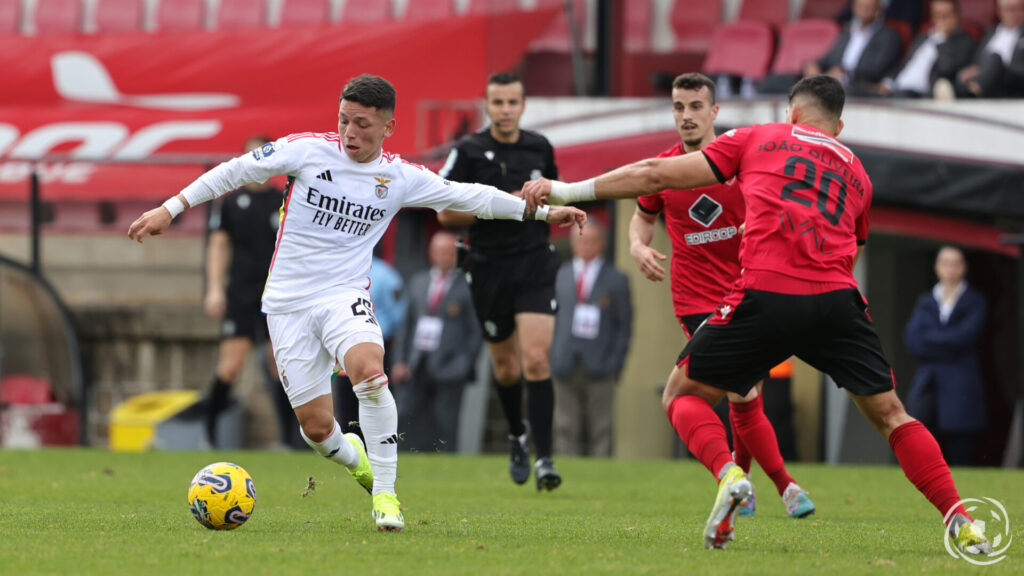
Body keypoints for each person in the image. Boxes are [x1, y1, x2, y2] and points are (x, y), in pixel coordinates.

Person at [522, 75, 991, 555]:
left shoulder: (760, 137)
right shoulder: (860, 176)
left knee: (681, 395)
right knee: (893, 415)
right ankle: (963, 522)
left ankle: (730, 475)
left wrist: (566, 190)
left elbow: (654, 175)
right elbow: (853, 249)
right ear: (839, 126)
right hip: (837, 302)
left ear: (791, 113)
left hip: (765, 294)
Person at [128, 74, 586, 532]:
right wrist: (171, 207)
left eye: (363, 124)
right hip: (287, 305)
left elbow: (472, 197)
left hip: (344, 294)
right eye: (344, 120)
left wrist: (543, 212)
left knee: (369, 369)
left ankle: (385, 495)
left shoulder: (399, 177)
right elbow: (235, 170)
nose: (350, 132)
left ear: (388, 127)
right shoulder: (306, 150)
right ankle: (356, 461)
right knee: (317, 430)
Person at [628, 72, 815, 519]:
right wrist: (637, 245)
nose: (686, 116)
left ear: (715, 112)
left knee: (743, 392)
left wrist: (764, 224)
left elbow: (782, 206)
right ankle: (784, 487)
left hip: (749, 291)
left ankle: (742, 486)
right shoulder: (664, 168)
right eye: (678, 107)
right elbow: (642, 217)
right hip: (696, 302)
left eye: (696, 107)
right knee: (744, 391)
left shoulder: (744, 160)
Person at [438, 72, 563, 491]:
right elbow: (443, 211)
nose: (505, 110)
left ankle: (545, 457)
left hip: (533, 262)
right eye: (498, 103)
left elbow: (555, 194)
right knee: (506, 366)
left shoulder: (539, 147)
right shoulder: (468, 150)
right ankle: (517, 432)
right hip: (488, 265)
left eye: (513, 102)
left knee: (536, 358)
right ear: (486, 106)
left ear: (523, 105)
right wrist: (504, 206)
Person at [203, 135, 303, 450]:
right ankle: (209, 435)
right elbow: (218, 245)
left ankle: (288, 440)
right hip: (242, 293)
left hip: (278, 292)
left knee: (279, 363)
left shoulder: (286, 198)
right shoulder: (231, 202)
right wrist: (214, 289)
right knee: (231, 365)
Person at [392, 231, 482, 452]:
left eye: (449, 252)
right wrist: (399, 361)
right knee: (408, 416)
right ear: (431, 253)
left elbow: (476, 331)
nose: (444, 256)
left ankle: (445, 463)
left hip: (450, 364)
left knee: (446, 420)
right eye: (440, 251)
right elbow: (407, 325)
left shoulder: (468, 285)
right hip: (417, 362)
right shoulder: (418, 281)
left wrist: (463, 364)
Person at [550, 222, 632, 457]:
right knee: (564, 424)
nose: (585, 246)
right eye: (581, 241)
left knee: (601, 426)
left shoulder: (616, 279)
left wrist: (615, 363)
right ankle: (567, 471)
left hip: (600, 363)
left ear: (601, 244)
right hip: (565, 361)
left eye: (591, 241)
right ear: (573, 244)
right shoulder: (560, 276)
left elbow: (623, 326)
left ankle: (600, 475)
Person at [904, 246, 987, 466]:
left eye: (955, 264)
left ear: (964, 268)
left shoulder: (975, 300)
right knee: (920, 431)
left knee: (960, 436)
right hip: (928, 377)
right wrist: (948, 341)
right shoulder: (926, 300)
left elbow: (966, 337)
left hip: (961, 378)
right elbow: (912, 340)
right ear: (937, 267)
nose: (951, 269)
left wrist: (931, 339)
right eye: (946, 263)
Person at [332, 254, 406, 441]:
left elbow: (398, 313)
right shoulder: (339, 267)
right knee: (346, 402)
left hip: (377, 347)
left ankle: (380, 448)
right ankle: (354, 447)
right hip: (344, 347)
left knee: (375, 398)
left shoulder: (385, 274)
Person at [875, 0, 977, 98]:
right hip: (896, 88)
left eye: (946, 16)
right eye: (937, 15)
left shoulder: (965, 41)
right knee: (863, 92)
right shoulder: (924, 36)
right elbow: (905, 63)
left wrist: (942, 38)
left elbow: (946, 68)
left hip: (920, 93)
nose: (941, 20)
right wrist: (888, 82)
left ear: (957, 16)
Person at [802, 0, 903, 96]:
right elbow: (826, 59)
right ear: (854, 8)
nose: (864, 10)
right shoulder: (846, 34)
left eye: (869, 7)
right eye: (861, 6)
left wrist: (845, 73)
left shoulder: (889, 36)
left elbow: (876, 69)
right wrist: (813, 65)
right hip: (833, 82)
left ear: (878, 9)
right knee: (792, 82)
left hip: (860, 87)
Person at [951, 0, 1024, 98]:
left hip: (1011, 83)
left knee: (995, 58)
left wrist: (998, 68)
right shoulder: (989, 33)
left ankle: (970, 92)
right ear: (1000, 11)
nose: (1012, 14)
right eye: (1008, 9)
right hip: (983, 77)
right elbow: (976, 60)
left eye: (1017, 9)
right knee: (961, 72)